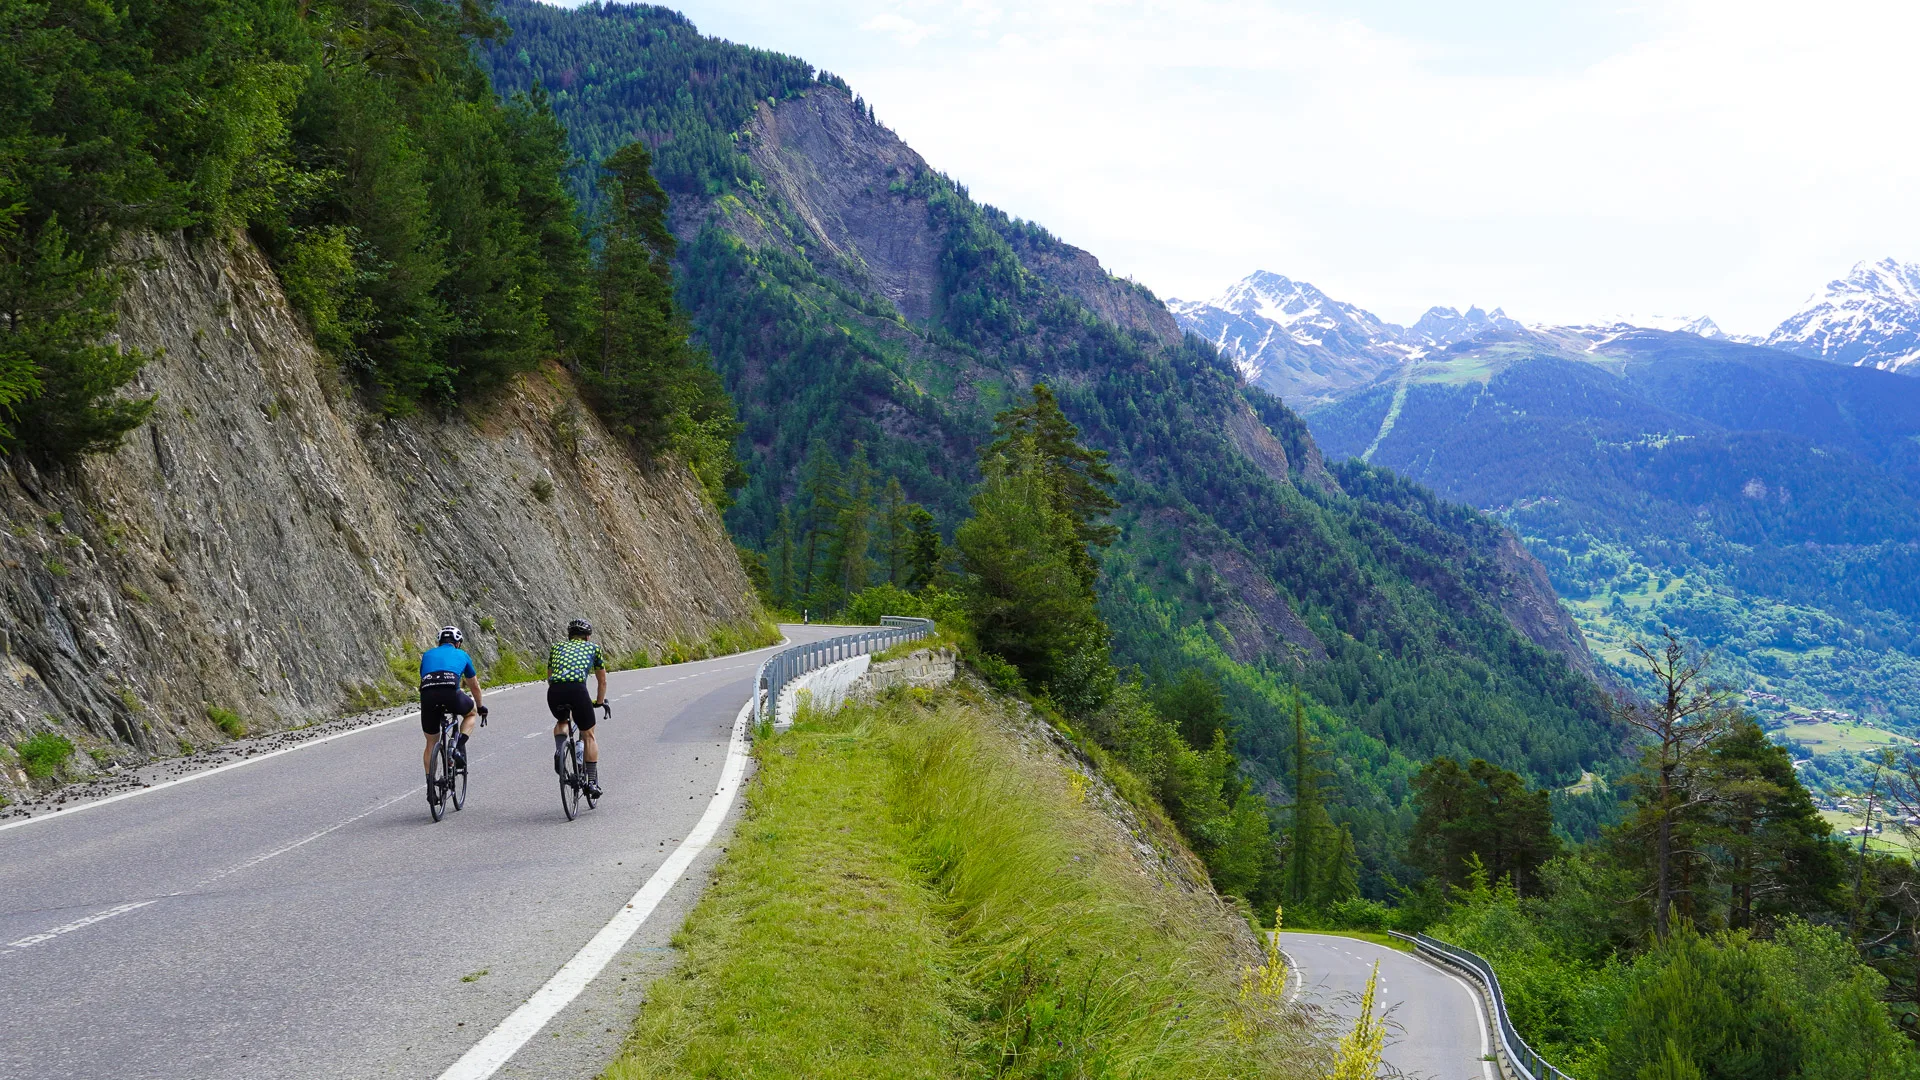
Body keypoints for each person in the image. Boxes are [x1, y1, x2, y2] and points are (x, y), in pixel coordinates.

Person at [547, 618, 608, 798]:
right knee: (588, 734)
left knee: (562, 720)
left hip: (555, 690)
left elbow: (550, 677)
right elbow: (602, 680)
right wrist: (599, 701)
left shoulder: (556, 647)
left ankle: (559, 750)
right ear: (587, 637)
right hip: (577, 689)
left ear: (570, 636)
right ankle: (591, 782)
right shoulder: (593, 648)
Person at [419, 626, 485, 775]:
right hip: (450, 692)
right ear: (458, 643)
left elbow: (425, 676)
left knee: (431, 742)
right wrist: (480, 706)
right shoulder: (462, 654)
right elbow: (474, 686)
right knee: (471, 713)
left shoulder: (427, 654)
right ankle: (458, 747)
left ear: (439, 642)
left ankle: (430, 786)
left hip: (427, 693)